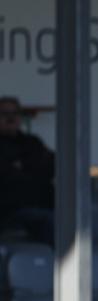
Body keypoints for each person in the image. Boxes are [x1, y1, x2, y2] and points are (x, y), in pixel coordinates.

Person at [0, 96, 54, 244]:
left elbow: (51, 168)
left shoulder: (33, 142)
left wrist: (21, 167)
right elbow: (7, 176)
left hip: (43, 204)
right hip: (10, 211)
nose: (10, 118)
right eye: (4, 113)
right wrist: (30, 169)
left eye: (15, 113)